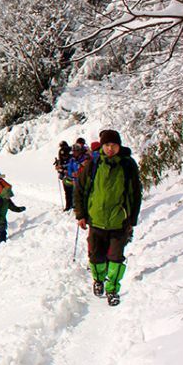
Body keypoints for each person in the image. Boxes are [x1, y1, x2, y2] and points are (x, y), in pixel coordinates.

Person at [74, 129, 142, 307]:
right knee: (96, 257)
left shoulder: (128, 165)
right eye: (107, 145)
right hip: (96, 221)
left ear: (119, 146)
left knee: (115, 258)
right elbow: (79, 190)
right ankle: (98, 280)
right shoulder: (93, 165)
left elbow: (136, 194)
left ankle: (112, 290)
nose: (110, 148)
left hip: (119, 223)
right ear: (102, 146)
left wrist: (132, 220)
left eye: (113, 145)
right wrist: (81, 214)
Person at [54, 141, 73, 210]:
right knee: (72, 191)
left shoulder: (61, 151)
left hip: (66, 175)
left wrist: (59, 167)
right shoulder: (71, 150)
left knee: (67, 191)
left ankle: (68, 205)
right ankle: (72, 205)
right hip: (71, 174)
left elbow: (61, 163)